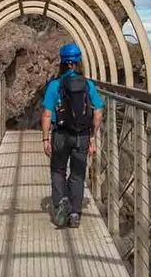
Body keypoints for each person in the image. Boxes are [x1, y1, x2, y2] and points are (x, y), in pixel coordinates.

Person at [40, 42, 104, 228]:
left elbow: (46, 114)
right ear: (78, 62)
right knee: (77, 174)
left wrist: (45, 138)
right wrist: (92, 136)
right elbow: (98, 112)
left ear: (62, 62)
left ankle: (61, 203)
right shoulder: (88, 84)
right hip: (81, 136)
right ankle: (75, 213)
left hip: (60, 135)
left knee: (58, 170)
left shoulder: (55, 85)